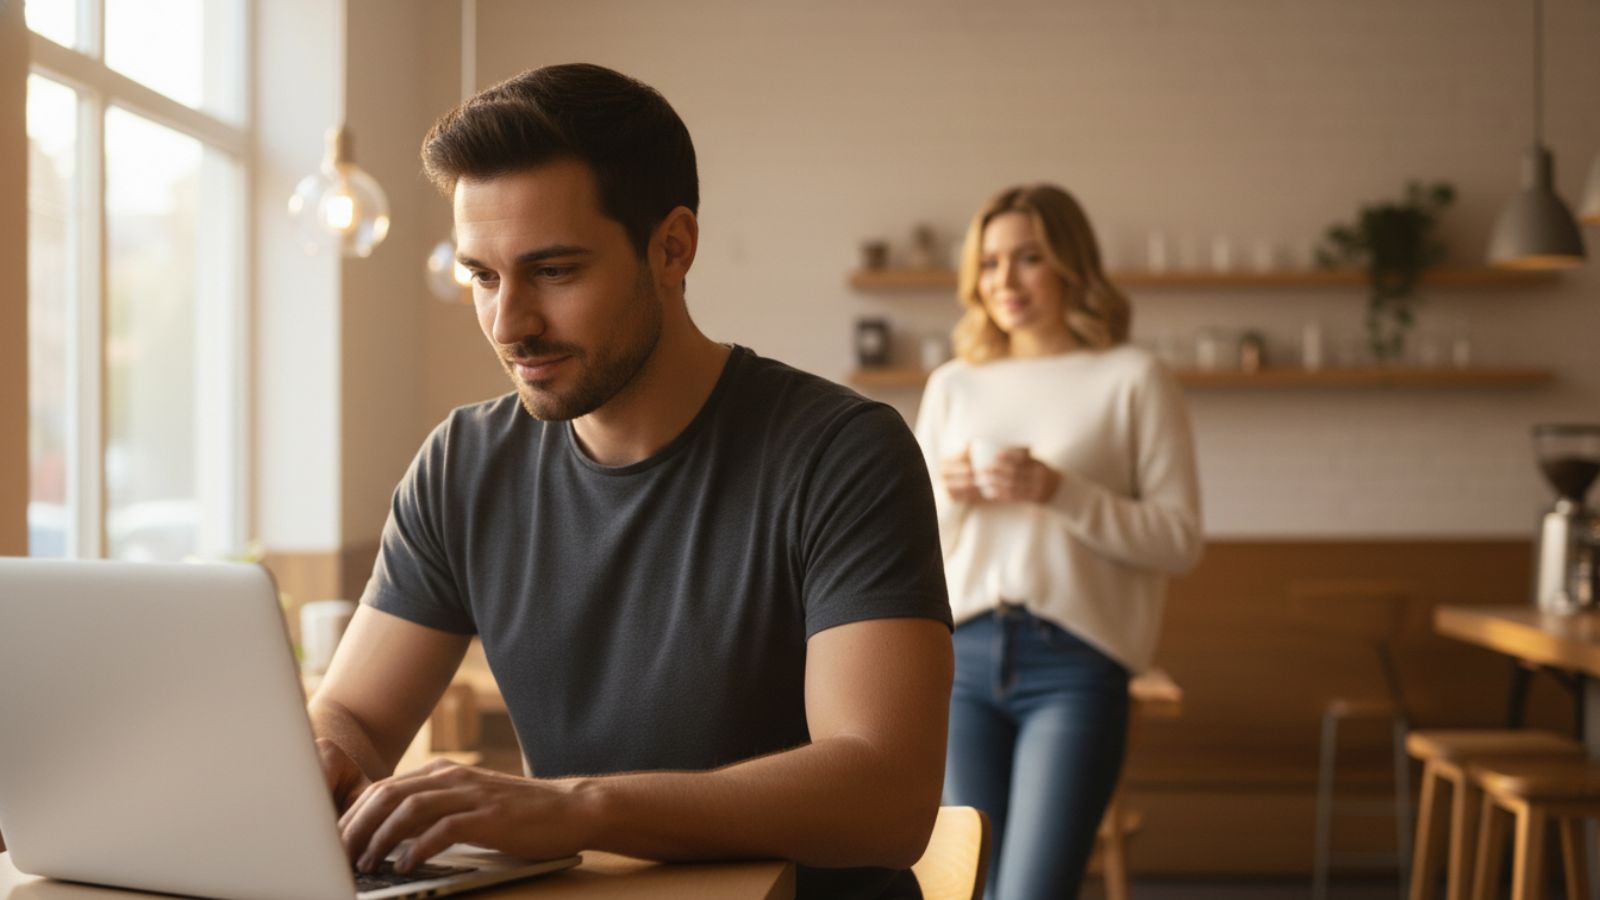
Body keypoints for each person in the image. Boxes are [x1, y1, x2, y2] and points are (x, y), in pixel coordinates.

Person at [307, 63, 954, 900]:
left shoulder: (842, 454)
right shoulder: (460, 464)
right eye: (483, 276)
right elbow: (354, 716)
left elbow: (887, 797)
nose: (510, 325)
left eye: (554, 271)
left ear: (672, 248)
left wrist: (578, 808)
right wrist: (328, 757)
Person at [913, 184, 1202, 900]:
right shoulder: (953, 386)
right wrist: (948, 496)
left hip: (1076, 668)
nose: (1004, 281)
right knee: (960, 889)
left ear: (1072, 265)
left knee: (1032, 893)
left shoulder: (1134, 378)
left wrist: (1059, 492)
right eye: (989, 263)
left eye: (1029, 258)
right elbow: (912, 547)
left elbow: (1179, 539)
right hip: (963, 661)